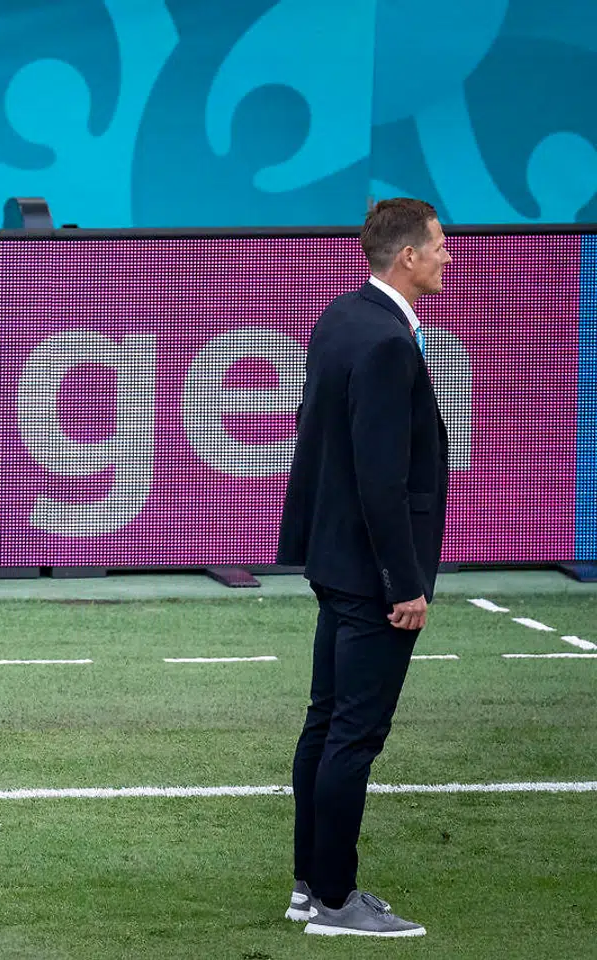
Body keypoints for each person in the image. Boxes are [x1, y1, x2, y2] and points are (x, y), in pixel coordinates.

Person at [276, 197, 452, 937]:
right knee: (354, 734)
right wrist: (404, 583)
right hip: (373, 572)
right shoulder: (383, 341)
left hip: (333, 557)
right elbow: (383, 477)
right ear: (406, 257)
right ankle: (338, 903)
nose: (448, 256)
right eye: (440, 245)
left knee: (326, 724)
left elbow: (316, 435)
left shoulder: (341, 316)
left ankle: (311, 885)